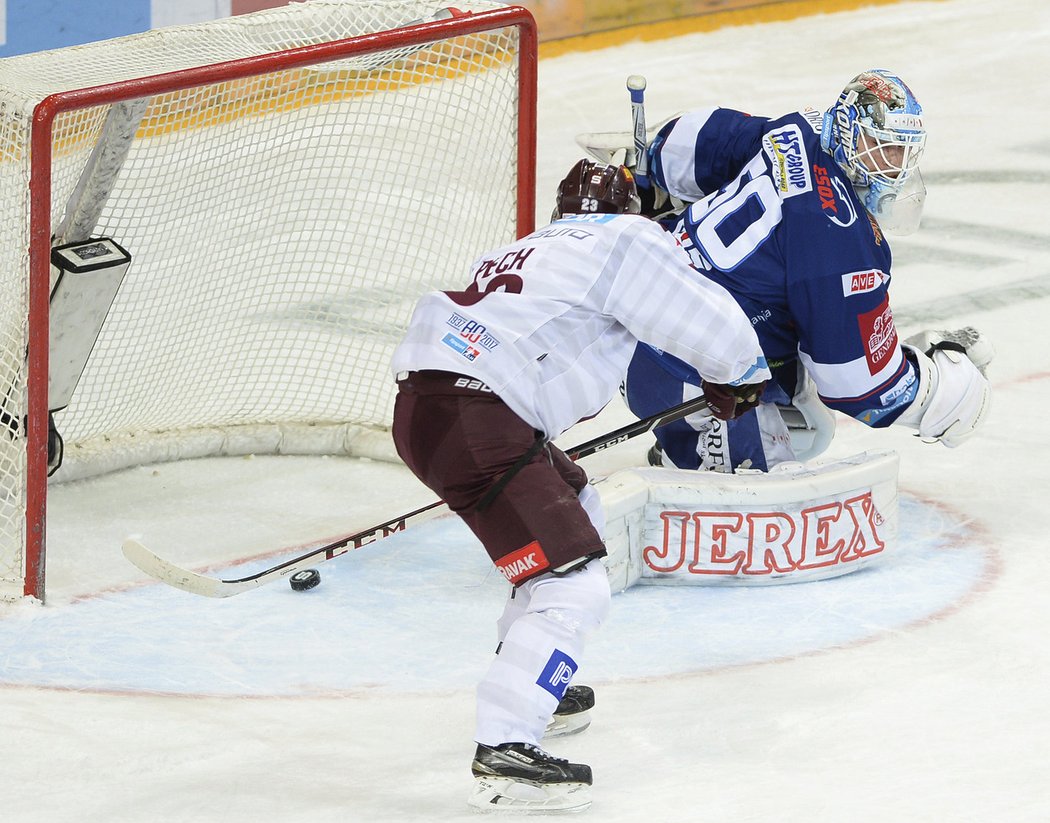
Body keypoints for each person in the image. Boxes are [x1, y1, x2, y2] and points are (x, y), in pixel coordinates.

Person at [389, 159, 770, 813]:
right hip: (479, 417)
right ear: (627, 211)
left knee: (580, 508)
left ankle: (532, 676)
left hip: (432, 409)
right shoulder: (621, 237)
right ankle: (507, 740)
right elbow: (694, 310)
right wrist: (738, 371)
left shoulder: (528, 248)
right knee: (576, 579)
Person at [619, 69, 992, 472]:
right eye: (880, 147)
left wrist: (646, 173)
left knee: (808, 427)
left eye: (901, 151)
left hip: (626, 303)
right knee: (761, 524)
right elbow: (858, 385)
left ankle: (683, 447)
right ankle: (685, 453)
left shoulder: (797, 130)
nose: (893, 166)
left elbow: (697, 140)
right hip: (679, 372)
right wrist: (949, 391)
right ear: (848, 131)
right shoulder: (839, 238)